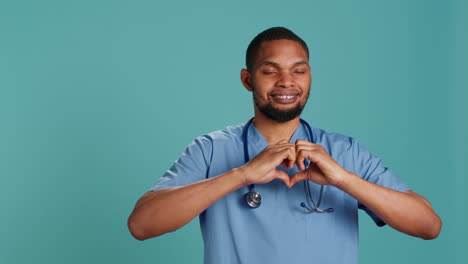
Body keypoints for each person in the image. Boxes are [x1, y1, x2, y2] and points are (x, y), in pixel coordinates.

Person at [127, 27, 442, 264]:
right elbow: (142, 224)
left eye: (298, 70)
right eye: (270, 71)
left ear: (309, 76)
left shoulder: (344, 152)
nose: (286, 81)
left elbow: (428, 225)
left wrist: (344, 179)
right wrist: (241, 174)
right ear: (248, 80)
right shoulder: (210, 150)